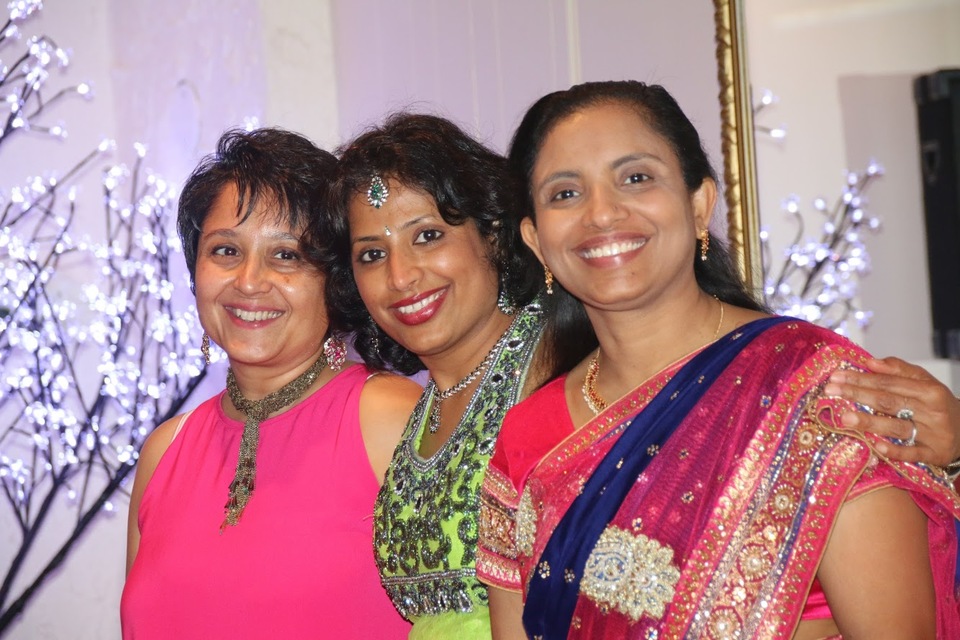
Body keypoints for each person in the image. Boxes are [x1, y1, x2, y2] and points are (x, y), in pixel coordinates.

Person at [476, 80, 960, 639]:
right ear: (536, 240)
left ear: (700, 204)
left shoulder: (818, 389)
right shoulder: (528, 434)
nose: (602, 213)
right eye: (565, 193)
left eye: (636, 178)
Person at [120, 128, 420, 639]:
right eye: (225, 250)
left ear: (335, 279)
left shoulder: (389, 419)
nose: (249, 281)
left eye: (286, 255)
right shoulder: (164, 451)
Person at [317, 113, 552, 638]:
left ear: (493, 234)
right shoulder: (426, 408)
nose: (400, 276)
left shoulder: (555, 368)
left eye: (427, 236)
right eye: (372, 254)